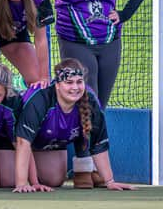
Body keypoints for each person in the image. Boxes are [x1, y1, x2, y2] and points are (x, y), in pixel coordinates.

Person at [14, 58, 135, 192]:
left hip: (50, 144)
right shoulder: (41, 99)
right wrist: (21, 183)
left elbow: (99, 143)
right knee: (6, 179)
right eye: (69, 82)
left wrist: (110, 181)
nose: (75, 88)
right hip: (17, 142)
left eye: (79, 82)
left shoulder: (90, 100)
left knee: (53, 180)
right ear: (57, 85)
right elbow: (22, 142)